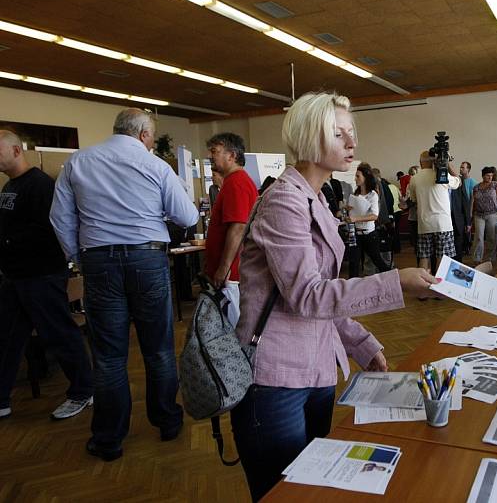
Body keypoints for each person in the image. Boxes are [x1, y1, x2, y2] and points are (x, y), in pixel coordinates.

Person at [230, 92, 436, 501]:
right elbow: (309, 295)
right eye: (338, 134)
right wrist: (396, 281)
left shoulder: (318, 198)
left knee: (313, 487)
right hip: (275, 378)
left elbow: (322, 294)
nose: (351, 143)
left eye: (352, 133)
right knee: (284, 492)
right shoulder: (284, 201)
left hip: (316, 370)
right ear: (309, 138)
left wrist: (361, 343)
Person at [50, 108, 198, 461]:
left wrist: (79, 256)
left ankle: (108, 438)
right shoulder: (156, 166)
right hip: (148, 259)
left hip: (98, 261)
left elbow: (60, 218)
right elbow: (188, 216)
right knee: (158, 349)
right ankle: (167, 422)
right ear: (145, 134)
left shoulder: (78, 161)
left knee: (109, 356)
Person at [0, 130, 93, 421]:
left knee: (60, 334)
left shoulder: (40, 185)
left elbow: (48, 232)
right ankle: (1, 398)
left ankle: (82, 391)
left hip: (40, 275)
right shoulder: (9, 186)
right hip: (15, 276)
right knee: (7, 339)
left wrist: (7, 241)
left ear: (16, 150)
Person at [204, 133, 258, 290]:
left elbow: (238, 227)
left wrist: (224, 268)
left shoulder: (236, 183)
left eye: (215, 151)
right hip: (229, 273)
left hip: (230, 276)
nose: (210, 156)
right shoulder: (234, 181)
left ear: (232, 155)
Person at [407, 150, 460, 273]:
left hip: (424, 224)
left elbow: (413, 199)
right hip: (443, 224)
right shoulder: (442, 174)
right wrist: (448, 165)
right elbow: (458, 182)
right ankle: (438, 285)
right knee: (442, 256)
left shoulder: (414, 179)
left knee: (424, 257)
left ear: (420, 163)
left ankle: (422, 285)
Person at [346, 166, 391, 277]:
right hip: (355, 233)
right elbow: (354, 212)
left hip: (369, 234)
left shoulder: (372, 194)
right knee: (354, 263)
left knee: (377, 260)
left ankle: (393, 279)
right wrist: (348, 210)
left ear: (365, 177)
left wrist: (356, 218)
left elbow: (374, 216)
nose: (355, 179)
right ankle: (351, 290)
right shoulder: (356, 194)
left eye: (358, 176)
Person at [469, 167, 497, 264]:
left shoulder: (495, 185)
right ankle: (477, 258)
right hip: (479, 215)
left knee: (491, 237)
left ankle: (489, 258)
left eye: (491, 176)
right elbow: (473, 202)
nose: (490, 177)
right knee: (479, 237)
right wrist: (470, 214)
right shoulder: (476, 187)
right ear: (483, 176)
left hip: (492, 214)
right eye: (487, 176)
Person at [450, 173, 470, 262]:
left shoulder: (458, 181)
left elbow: (465, 202)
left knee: (458, 246)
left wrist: (468, 222)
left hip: (457, 220)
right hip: (442, 220)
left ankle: (457, 265)